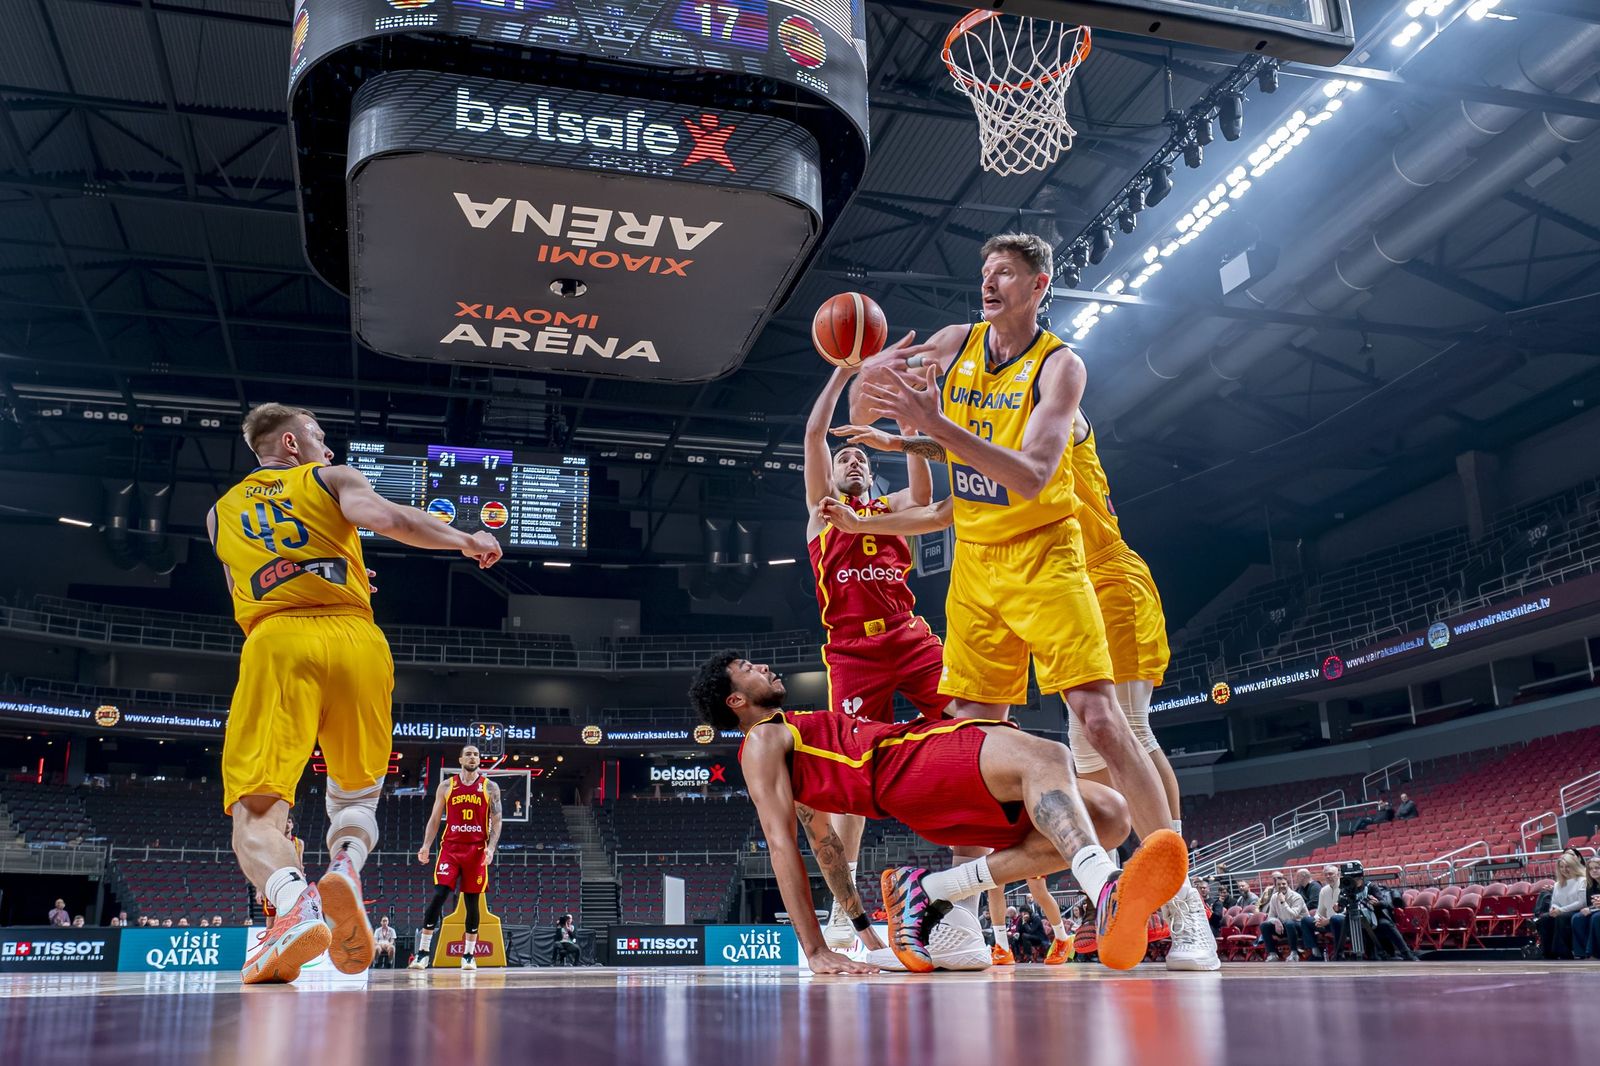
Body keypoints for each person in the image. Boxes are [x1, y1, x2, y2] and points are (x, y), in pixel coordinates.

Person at [825, 233, 1196, 968]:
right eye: (984, 272)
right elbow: (938, 471)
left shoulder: (1059, 368)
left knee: (1112, 726)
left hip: (1073, 559)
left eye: (1006, 273)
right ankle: (959, 909)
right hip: (983, 567)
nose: (989, 282)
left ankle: (1184, 909)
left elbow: (1025, 473)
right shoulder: (958, 346)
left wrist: (924, 431)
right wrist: (868, 375)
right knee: (978, 745)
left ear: (1039, 285)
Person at [210, 403, 502, 984]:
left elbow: (244, 589)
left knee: (258, 814)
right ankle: (345, 863)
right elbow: (388, 518)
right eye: (320, 438)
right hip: (357, 640)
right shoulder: (329, 479)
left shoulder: (219, 515)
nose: (331, 450)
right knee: (355, 800)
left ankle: (294, 902)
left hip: (277, 641)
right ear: (291, 444)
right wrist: (463, 538)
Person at [689, 651, 1185, 974]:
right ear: (736, 700)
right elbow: (782, 845)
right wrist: (815, 949)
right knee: (1049, 756)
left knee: (1112, 815)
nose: (765, 668)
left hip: (917, 785)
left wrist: (863, 929)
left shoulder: (792, 734)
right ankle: (1104, 888)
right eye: (750, 669)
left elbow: (827, 845)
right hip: (903, 766)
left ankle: (930, 890)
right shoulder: (762, 739)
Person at [801, 363, 942, 951]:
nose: (853, 462)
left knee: (972, 722)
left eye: (860, 459)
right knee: (851, 774)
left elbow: (929, 494)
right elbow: (813, 436)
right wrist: (839, 373)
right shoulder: (822, 515)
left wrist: (909, 428)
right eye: (845, 461)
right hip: (853, 651)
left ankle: (968, 892)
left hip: (909, 638)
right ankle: (845, 905)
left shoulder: (893, 510)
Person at [411, 744, 502, 971]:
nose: (473, 757)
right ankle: (423, 952)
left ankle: (469, 955)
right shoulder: (446, 785)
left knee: (472, 902)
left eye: (476, 755)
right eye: (469, 754)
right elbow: (434, 819)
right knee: (440, 894)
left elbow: (497, 820)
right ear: (461, 759)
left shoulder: (490, 787)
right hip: (450, 849)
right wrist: (425, 846)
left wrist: (491, 848)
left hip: (477, 851)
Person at [1537, 851, 1587, 959]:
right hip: (1561, 911)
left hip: (1577, 910)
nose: (1564, 870)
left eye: (1567, 866)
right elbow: (1554, 901)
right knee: (1545, 918)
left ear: (1574, 866)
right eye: (1561, 867)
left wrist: (1561, 910)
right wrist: (1553, 909)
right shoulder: (1558, 884)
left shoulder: (1582, 880)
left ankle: (1563, 952)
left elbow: (1581, 902)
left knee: (1561, 917)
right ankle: (1548, 953)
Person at [1258, 872, 1309, 960]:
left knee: (1288, 922)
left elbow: (1292, 916)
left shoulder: (1297, 897)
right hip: (1285, 925)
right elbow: (1271, 916)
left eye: (1283, 884)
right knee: (1264, 925)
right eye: (1279, 884)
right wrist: (1276, 921)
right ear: (1276, 886)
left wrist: (1283, 902)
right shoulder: (1274, 897)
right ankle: (1272, 954)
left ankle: (1294, 953)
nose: (1281, 886)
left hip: (1301, 926)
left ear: (1288, 885)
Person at [1306, 864, 1347, 960]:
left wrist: (1328, 920)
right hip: (1326, 922)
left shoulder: (1345, 887)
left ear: (1338, 875)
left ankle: (1338, 953)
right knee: (1305, 921)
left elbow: (1346, 912)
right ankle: (1316, 953)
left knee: (1335, 919)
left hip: (1342, 922)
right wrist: (1318, 919)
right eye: (1326, 875)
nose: (1328, 876)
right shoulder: (1323, 890)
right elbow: (1320, 911)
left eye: (1331, 874)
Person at [1570, 856, 1600, 960]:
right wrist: (1591, 909)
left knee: (1596, 917)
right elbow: (1590, 903)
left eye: (1597, 867)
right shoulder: (1590, 885)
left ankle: (1593, 951)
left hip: (1597, 912)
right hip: (1596, 909)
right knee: (1577, 918)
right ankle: (1581, 952)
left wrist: (1592, 909)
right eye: (1591, 869)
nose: (1594, 871)